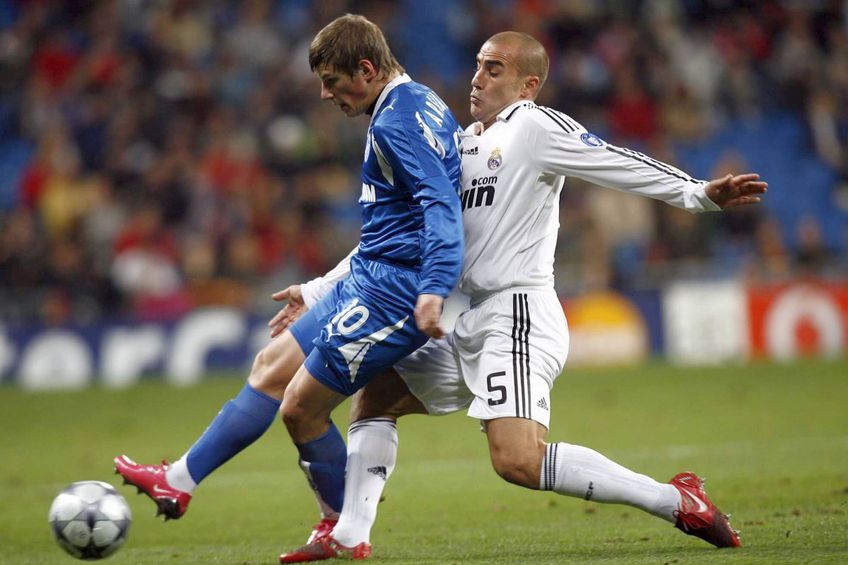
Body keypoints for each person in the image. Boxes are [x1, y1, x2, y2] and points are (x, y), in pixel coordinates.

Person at [278, 31, 766, 562]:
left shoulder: (533, 126)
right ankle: (350, 533)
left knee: (517, 460)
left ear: (528, 85)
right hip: (466, 319)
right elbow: (396, 238)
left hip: (517, 311)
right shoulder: (458, 142)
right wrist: (316, 287)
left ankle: (675, 500)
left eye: (494, 69)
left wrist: (696, 194)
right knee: (375, 395)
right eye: (478, 66)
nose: (477, 77)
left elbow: (614, 160)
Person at [114, 14, 464, 548]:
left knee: (300, 408)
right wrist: (319, 287)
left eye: (331, 81)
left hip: (396, 291)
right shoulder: (416, 100)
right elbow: (395, 223)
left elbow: (441, 205)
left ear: (366, 69)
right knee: (270, 363)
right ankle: (178, 482)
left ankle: (342, 529)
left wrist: (435, 286)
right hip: (369, 275)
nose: (325, 95)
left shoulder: (395, 124)